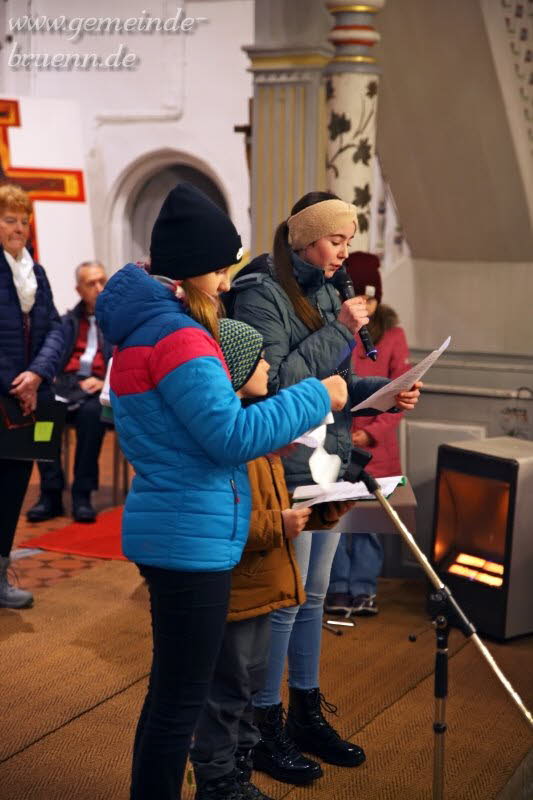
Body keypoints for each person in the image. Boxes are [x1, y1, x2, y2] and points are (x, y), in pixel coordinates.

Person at [94, 182, 348, 800]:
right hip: (189, 539)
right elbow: (228, 436)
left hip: (177, 526)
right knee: (181, 703)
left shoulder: (145, 331)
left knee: (171, 696)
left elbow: (197, 434)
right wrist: (320, 395)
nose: (228, 280)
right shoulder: (179, 337)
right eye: (221, 267)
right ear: (194, 268)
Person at [230, 192, 421, 783]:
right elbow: (277, 380)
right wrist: (338, 328)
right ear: (307, 236)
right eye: (338, 239)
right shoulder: (262, 289)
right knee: (284, 601)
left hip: (329, 460)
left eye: (348, 240)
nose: (345, 251)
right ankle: (264, 726)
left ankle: (306, 712)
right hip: (287, 463)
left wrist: (382, 388)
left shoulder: (328, 288)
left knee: (313, 594)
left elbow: (332, 380)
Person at [191, 317, 357, 800]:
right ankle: (220, 782)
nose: (268, 363)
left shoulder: (255, 433)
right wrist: (278, 526)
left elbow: (277, 502)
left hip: (265, 588)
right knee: (225, 697)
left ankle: (240, 775)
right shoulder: (232, 443)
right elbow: (226, 518)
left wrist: (323, 513)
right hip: (241, 590)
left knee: (244, 694)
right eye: (259, 357)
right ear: (236, 368)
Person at [326, 252, 411, 618]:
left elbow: (401, 393)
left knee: (368, 523)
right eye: (361, 299)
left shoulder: (392, 334)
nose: (368, 306)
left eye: (373, 299)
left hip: (377, 451)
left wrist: (372, 434)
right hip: (337, 441)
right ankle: (338, 588)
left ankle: (363, 588)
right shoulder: (336, 329)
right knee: (338, 519)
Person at [0, 184, 64, 609]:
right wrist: (16, 383)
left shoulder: (35, 273)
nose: (18, 227)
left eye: (23, 221)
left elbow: (58, 329)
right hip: (4, 393)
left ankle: (1, 575)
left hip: (27, 395)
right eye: (9, 220)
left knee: (12, 490)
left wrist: (37, 375)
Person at [27, 261, 111, 523]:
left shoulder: (119, 321)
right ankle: (51, 493)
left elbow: (125, 360)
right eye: (91, 284)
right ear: (79, 290)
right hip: (66, 385)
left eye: (102, 281)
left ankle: (82, 494)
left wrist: (102, 380)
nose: (98, 288)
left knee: (92, 414)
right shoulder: (66, 322)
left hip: (99, 389)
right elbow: (52, 357)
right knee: (42, 415)